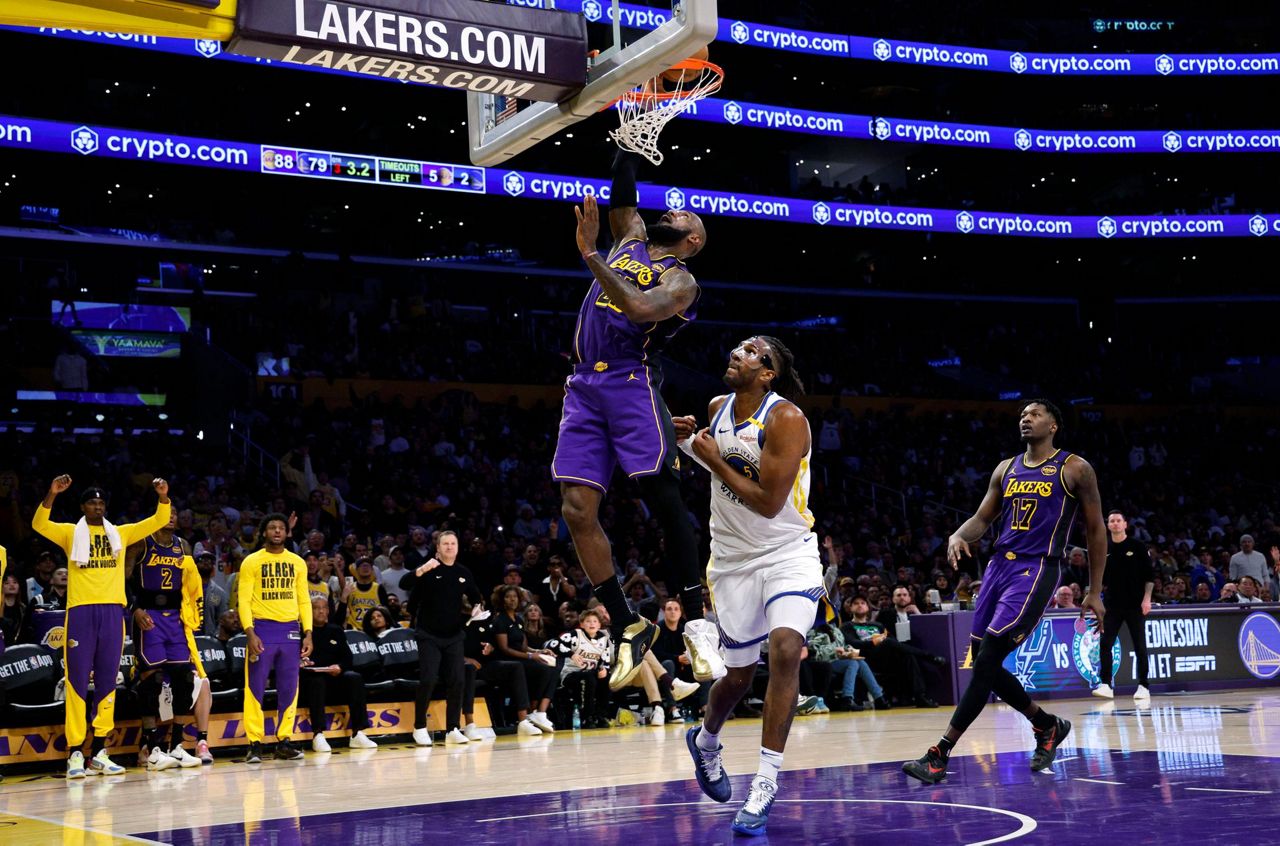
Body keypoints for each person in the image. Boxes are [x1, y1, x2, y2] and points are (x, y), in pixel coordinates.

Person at [553, 150, 708, 692]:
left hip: (628, 379)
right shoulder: (632, 238)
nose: (674, 213)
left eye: (685, 217)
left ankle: (696, 620)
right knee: (576, 509)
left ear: (693, 241)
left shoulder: (682, 280)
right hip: (583, 384)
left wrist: (591, 255)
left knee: (661, 495)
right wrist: (627, 140)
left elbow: (640, 309)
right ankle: (627, 623)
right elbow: (623, 194)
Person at [903, 399, 1106, 784]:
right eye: (1022, 415)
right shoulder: (1006, 468)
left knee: (988, 658)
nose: (1026, 419)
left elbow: (1096, 530)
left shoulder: (1074, 468)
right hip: (998, 566)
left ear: (1053, 425)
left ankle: (940, 753)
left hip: (1036, 568)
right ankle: (1046, 725)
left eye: (1035, 414)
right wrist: (958, 534)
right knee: (984, 662)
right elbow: (983, 518)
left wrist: (1094, 590)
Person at [672, 335, 819, 836]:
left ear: (768, 373)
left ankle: (765, 782)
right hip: (732, 562)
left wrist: (711, 456)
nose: (738, 353)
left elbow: (769, 503)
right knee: (736, 678)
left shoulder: (786, 419)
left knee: (786, 649)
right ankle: (706, 741)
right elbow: (718, 463)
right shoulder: (717, 408)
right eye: (738, 347)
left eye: (752, 352)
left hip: (788, 553)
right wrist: (686, 443)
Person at [32, 475, 171, 779]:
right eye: (92, 503)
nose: (97, 507)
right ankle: (75, 752)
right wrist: (52, 493)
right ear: (82, 507)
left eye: (101, 503)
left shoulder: (119, 533)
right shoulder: (71, 533)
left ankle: (99, 751)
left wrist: (162, 496)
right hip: (81, 612)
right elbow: (39, 524)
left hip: (112, 613)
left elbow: (158, 520)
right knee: (77, 682)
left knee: (108, 682)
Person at [126, 509, 207, 770]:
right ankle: (151, 749)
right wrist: (134, 610)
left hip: (175, 619)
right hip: (149, 617)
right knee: (152, 680)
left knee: (185, 679)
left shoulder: (183, 546)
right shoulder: (141, 542)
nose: (171, 516)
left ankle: (177, 746)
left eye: (174, 513)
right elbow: (122, 579)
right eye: (166, 512)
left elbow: (190, 583)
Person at [238, 513, 313, 764]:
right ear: (264, 532)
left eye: (281, 527)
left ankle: (284, 740)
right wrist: (249, 632)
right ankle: (254, 743)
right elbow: (243, 601)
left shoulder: (297, 562)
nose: (277, 531)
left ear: (287, 532)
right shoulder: (251, 561)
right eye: (272, 527)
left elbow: (304, 600)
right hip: (262, 630)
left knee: (289, 688)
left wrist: (308, 633)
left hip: (290, 631)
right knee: (255, 688)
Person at [398, 530, 484, 746]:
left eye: (453, 543)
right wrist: (421, 569)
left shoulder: (463, 572)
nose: (449, 547)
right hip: (428, 634)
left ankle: (452, 728)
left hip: (454, 635)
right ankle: (419, 727)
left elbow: (476, 596)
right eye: (445, 543)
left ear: (457, 547)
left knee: (457, 681)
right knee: (428, 679)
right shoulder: (428, 568)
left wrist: (477, 607)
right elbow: (404, 584)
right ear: (438, 548)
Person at [301, 597, 378, 753]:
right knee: (317, 681)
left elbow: (348, 658)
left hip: (334, 677)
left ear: (328, 611)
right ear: (309, 611)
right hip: (312, 678)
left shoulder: (335, 630)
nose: (321, 611)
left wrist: (340, 667)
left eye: (324, 607)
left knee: (354, 678)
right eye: (316, 608)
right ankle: (318, 734)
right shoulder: (302, 633)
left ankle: (358, 733)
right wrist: (304, 663)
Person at [1094, 510, 1155, 702]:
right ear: (1108, 525)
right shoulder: (1104, 547)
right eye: (1111, 521)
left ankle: (1144, 686)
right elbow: (1098, 578)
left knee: (1139, 645)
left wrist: (1147, 599)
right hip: (1112, 605)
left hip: (1135, 604)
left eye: (1118, 520)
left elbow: (1150, 576)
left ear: (1125, 524)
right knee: (1105, 644)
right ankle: (1106, 684)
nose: (1115, 523)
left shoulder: (1137, 546)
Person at [340, 557, 389, 630]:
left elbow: (386, 612)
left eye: (368, 565)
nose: (365, 567)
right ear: (356, 570)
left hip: (374, 629)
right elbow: (341, 613)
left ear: (372, 570)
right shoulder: (350, 588)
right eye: (362, 565)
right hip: (354, 629)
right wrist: (343, 597)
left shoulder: (379, 588)